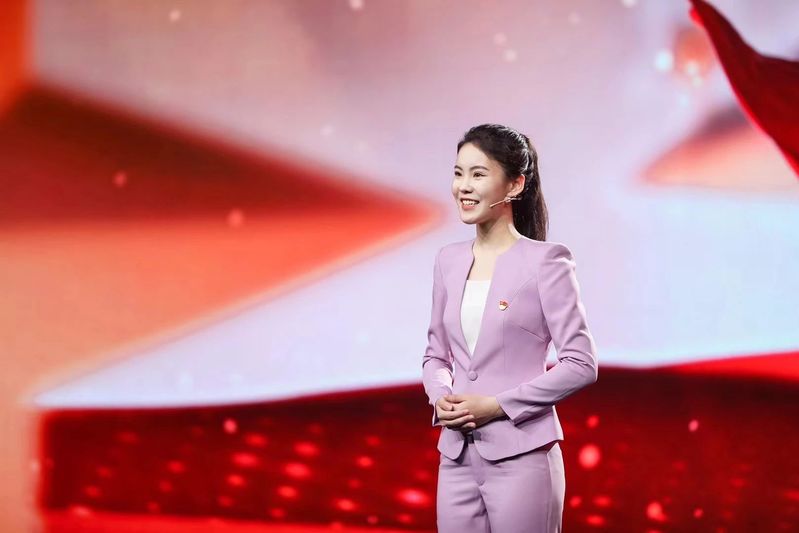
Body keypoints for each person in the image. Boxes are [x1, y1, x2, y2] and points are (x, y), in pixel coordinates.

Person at [421, 124, 599, 532]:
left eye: (478, 174)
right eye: (458, 173)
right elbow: (435, 355)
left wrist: (497, 405)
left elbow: (581, 363)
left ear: (515, 184)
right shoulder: (447, 260)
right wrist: (440, 396)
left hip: (523, 455)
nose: (463, 186)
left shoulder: (547, 261)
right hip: (456, 458)